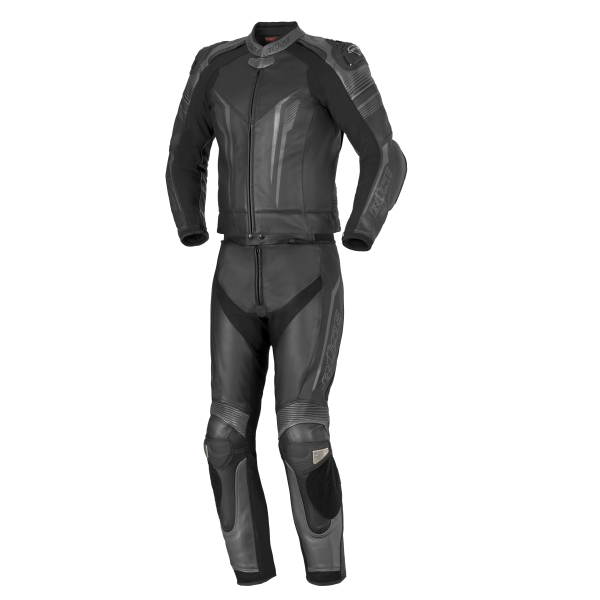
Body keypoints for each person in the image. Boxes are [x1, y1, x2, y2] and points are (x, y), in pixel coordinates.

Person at [165, 20, 407, 586]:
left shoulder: (328, 60)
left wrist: (363, 227)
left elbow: (385, 154)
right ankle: (251, 575)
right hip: (231, 267)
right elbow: (182, 153)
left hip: (306, 269)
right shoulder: (213, 63)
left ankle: (326, 575)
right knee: (222, 438)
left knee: (303, 437)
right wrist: (189, 221)